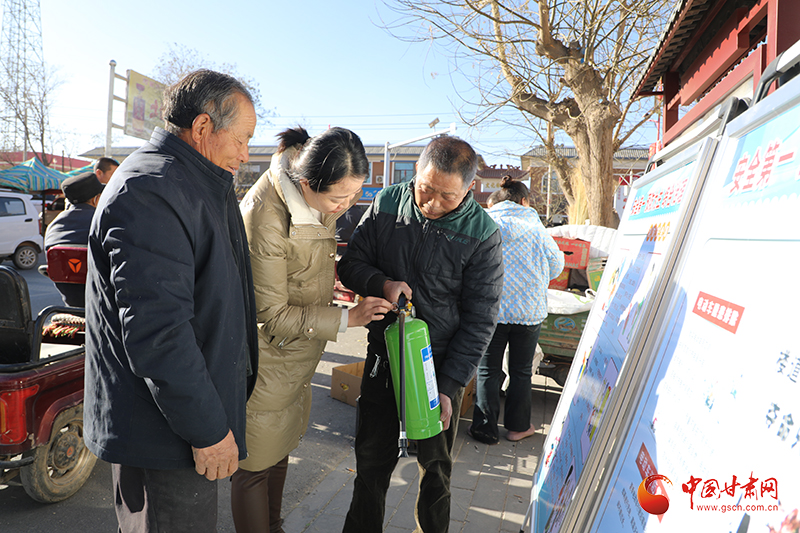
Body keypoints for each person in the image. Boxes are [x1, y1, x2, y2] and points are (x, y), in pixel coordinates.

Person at [83, 69, 260, 532]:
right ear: (202, 127)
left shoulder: (195, 182)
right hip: (163, 435)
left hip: (180, 423)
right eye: (242, 139)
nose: (245, 154)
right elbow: (160, 333)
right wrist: (208, 430)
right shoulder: (152, 188)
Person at [338, 135, 504, 533]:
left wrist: (447, 387)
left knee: (435, 472)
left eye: (447, 196)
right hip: (384, 356)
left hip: (438, 367)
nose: (432, 203)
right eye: (426, 188)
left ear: (470, 188)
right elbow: (351, 263)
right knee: (370, 465)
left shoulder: (482, 234)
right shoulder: (388, 203)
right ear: (416, 171)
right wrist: (382, 284)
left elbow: (481, 319)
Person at [233, 126, 393, 533]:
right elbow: (270, 315)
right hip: (265, 359)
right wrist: (347, 319)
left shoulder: (313, 199)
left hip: (296, 357)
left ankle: (275, 526)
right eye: (339, 197)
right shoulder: (266, 218)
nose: (346, 205)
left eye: (354, 194)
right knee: (254, 465)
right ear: (306, 183)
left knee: (280, 448)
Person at [470, 176, 564, 444]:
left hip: (491, 310)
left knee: (487, 370)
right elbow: (557, 265)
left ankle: (484, 429)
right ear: (524, 201)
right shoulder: (536, 229)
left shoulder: (484, 224)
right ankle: (518, 427)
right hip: (529, 312)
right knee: (521, 371)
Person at [43, 171, 104, 306]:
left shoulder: (53, 227)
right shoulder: (104, 222)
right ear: (96, 199)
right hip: (102, 307)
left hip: (70, 306)